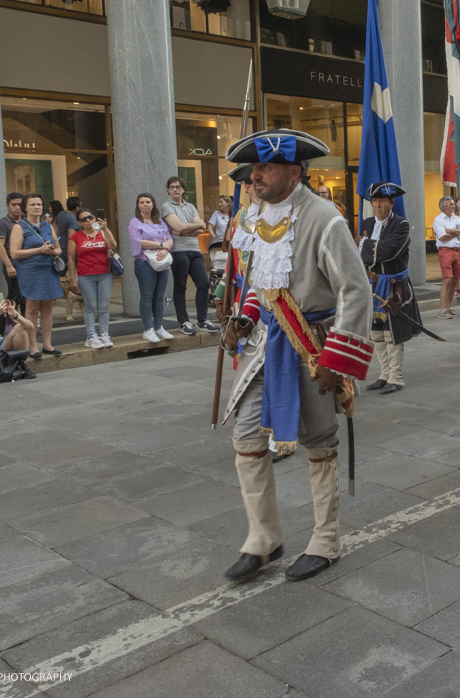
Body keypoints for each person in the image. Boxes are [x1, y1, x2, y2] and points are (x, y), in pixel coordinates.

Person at [217, 129, 374, 584]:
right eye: (254, 170)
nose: (255, 176)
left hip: (314, 346)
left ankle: (326, 540)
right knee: (246, 435)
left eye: (265, 167)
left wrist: (338, 358)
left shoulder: (325, 218)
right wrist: (245, 317)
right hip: (267, 344)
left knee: (319, 442)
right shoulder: (254, 217)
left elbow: (355, 289)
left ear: (293, 171)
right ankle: (263, 539)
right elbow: (257, 281)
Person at [359, 181, 421, 395]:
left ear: (391, 203)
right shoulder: (366, 223)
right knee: (376, 333)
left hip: (394, 288)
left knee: (392, 334)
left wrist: (363, 244)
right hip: (372, 285)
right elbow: (357, 252)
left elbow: (388, 251)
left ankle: (396, 377)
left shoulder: (401, 225)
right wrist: (363, 246)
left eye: (382, 200)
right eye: (374, 200)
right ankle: (384, 374)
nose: (377, 205)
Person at [162, 176, 219, 336]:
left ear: (183, 189)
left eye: (178, 187)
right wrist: (189, 227)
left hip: (195, 251)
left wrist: (182, 231)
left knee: (203, 284)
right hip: (179, 251)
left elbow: (201, 229)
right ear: (168, 190)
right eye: (172, 187)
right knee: (180, 287)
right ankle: (184, 322)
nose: (175, 189)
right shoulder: (166, 206)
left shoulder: (190, 206)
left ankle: (202, 321)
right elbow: (179, 225)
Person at [9, 192, 64, 358]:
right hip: (30, 270)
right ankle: (32, 345)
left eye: (39, 204)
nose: (36, 207)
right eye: (32, 204)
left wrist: (51, 250)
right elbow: (15, 253)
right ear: (25, 208)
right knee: (32, 308)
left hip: (48, 269)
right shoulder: (19, 227)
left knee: (47, 307)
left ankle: (47, 344)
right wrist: (39, 250)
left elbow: (59, 250)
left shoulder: (48, 226)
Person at [68, 208, 118, 349]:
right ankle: (91, 336)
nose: (88, 220)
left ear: (94, 218)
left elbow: (113, 246)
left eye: (90, 217)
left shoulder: (103, 232)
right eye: (84, 219)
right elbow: (71, 259)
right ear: (79, 223)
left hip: (105, 274)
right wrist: (73, 278)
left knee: (103, 307)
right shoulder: (76, 237)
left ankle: (104, 334)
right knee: (90, 307)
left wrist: (106, 229)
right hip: (85, 276)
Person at [129, 193, 175, 344]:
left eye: (148, 202)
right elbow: (139, 241)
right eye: (142, 202)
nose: (145, 204)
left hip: (162, 262)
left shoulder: (160, 222)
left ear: (153, 204)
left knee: (159, 296)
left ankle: (159, 327)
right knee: (147, 296)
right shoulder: (135, 222)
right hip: (145, 263)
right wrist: (161, 245)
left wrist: (165, 249)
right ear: (138, 205)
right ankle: (148, 329)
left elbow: (169, 238)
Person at [433, 197, 460, 320]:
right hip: (445, 251)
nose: (454, 206)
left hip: (457, 251)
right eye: (451, 204)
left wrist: (450, 231)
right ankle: (442, 310)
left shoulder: (456, 218)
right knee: (447, 280)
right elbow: (442, 237)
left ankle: (448, 307)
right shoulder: (438, 220)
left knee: (454, 280)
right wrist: (455, 232)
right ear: (444, 206)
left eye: (453, 204)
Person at [0, 193, 25, 305]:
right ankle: (11, 322)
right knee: (14, 297)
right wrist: (8, 265)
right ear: (7, 206)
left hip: (27, 264)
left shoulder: (26, 222)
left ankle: (28, 322)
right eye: (14, 205)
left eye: (20, 204)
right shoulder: (2, 224)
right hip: (12, 265)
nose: (17, 207)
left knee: (27, 298)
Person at [54, 197, 81, 264]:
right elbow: (71, 238)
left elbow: (57, 232)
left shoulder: (60, 214)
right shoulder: (72, 218)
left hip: (61, 245)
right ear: (77, 208)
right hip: (69, 248)